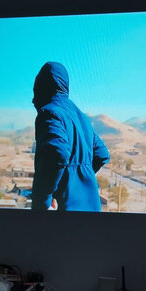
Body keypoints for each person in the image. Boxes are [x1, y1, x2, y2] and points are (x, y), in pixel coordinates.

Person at [31, 61, 110, 211]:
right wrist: (80, 177)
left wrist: (45, 200)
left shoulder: (49, 113)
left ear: (41, 86)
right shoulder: (81, 117)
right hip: (91, 207)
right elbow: (102, 154)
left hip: (64, 210)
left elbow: (57, 153)